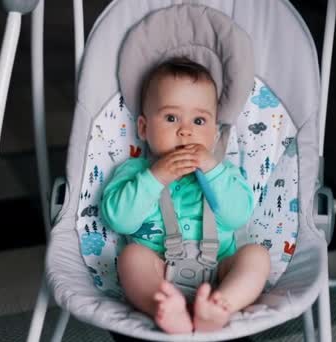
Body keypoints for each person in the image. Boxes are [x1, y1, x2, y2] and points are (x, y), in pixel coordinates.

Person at [100, 57, 270, 334]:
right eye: (171, 118)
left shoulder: (223, 172)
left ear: (214, 135)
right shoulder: (135, 171)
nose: (185, 130)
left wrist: (213, 171)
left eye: (199, 120)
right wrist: (155, 177)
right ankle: (165, 308)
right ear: (143, 128)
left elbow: (238, 215)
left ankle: (221, 305)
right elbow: (120, 220)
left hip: (220, 269)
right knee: (132, 257)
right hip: (158, 271)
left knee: (256, 256)